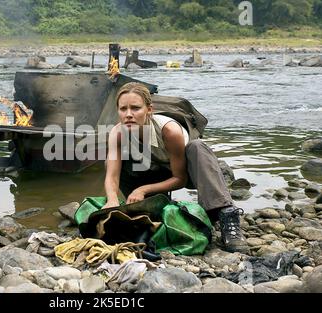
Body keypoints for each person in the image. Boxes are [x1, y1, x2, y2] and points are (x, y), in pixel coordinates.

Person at [103, 82, 249, 253]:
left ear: (149, 110)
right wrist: (111, 199)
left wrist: (143, 189)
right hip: (156, 170)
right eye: (123, 109)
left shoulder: (169, 130)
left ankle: (226, 217)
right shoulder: (118, 133)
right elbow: (112, 176)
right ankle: (152, 209)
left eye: (135, 108)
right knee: (112, 161)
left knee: (197, 148)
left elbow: (180, 179)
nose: (128, 114)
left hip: (188, 173)